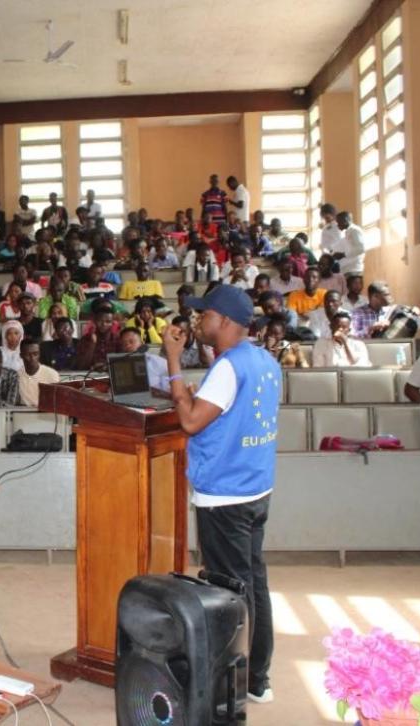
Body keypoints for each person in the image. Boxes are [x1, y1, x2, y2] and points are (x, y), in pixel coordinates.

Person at [161, 284, 278, 704]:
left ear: (224, 321)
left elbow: (190, 422)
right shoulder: (263, 359)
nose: (197, 321)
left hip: (225, 495)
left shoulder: (229, 368)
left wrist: (173, 361)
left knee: (229, 593)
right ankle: (257, 677)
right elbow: (229, 412)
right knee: (253, 583)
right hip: (255, 488)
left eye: (204, 314)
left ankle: (231, 684)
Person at [17, 339, 60, 407]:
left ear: (40, 354)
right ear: (21, 355)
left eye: (35, 354)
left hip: (46, 414)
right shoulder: (16, 375)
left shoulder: (51, 374)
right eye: (28, 354)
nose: (32, 358)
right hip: (23, 414)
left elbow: (56, 401)